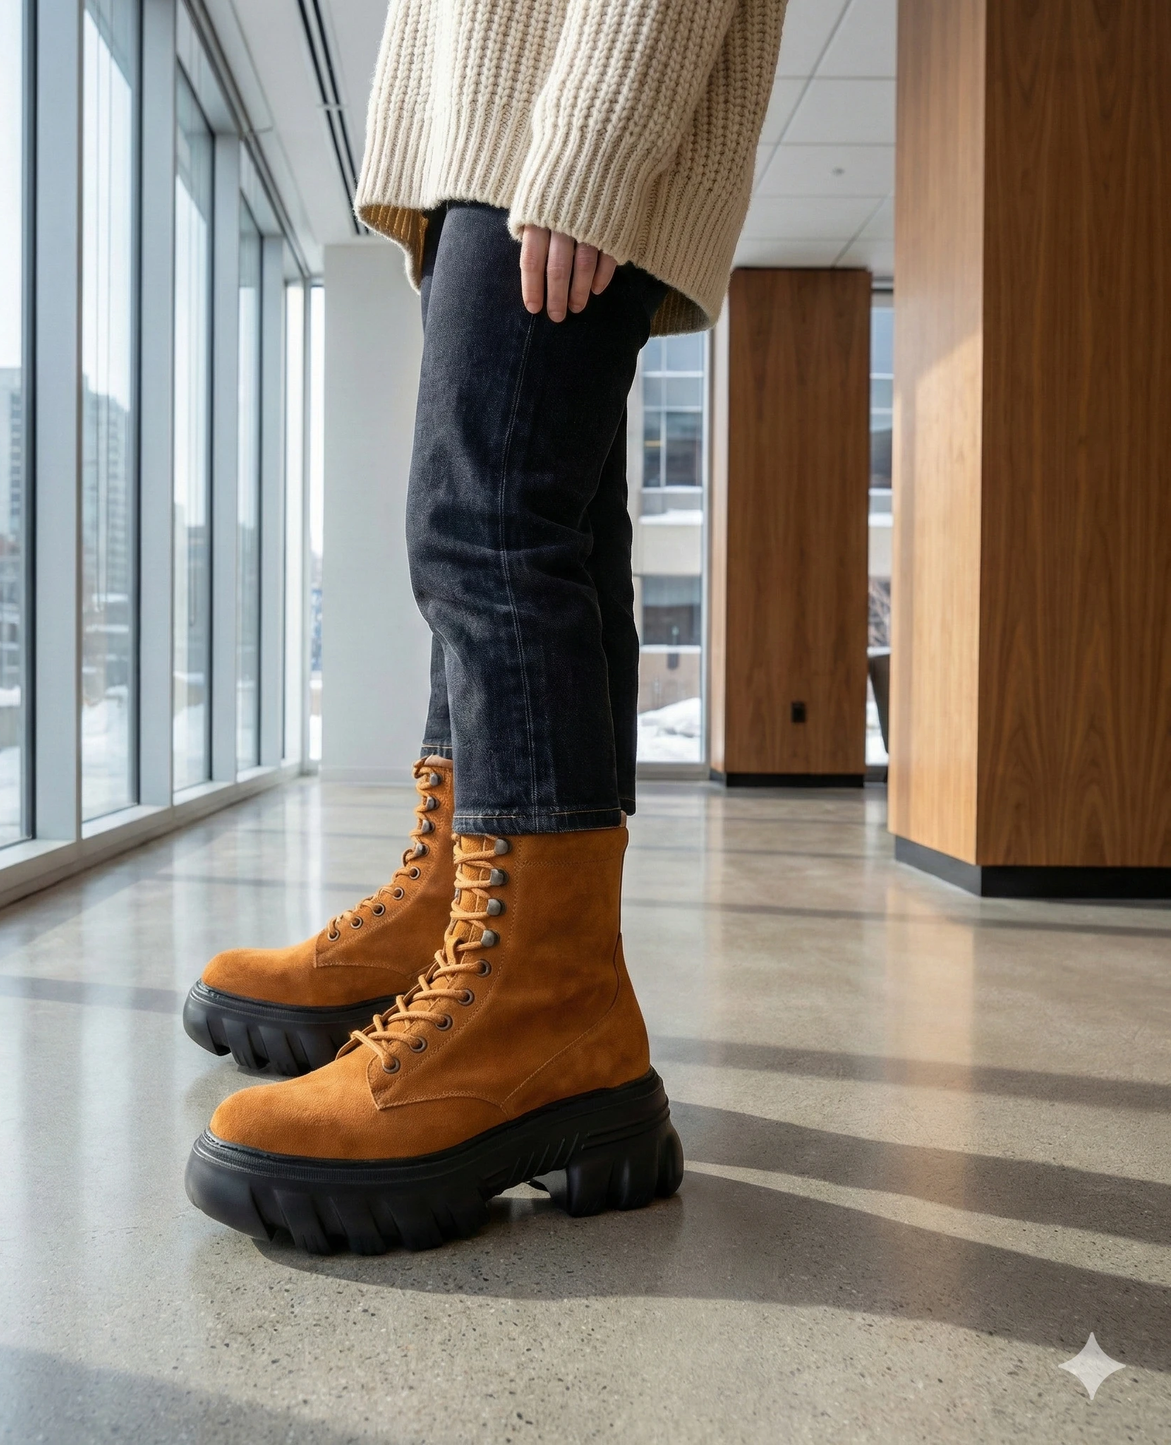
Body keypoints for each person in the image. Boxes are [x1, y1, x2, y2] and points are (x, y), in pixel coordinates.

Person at [183, 0, 788, 1254]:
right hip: (501, 126)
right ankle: (487, 935)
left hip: (554, 117)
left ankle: (537, 993)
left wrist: (588, 138)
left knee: (485, 524)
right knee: (540, 526)